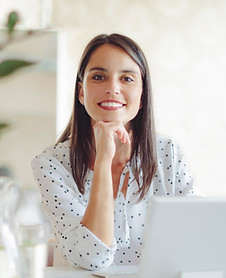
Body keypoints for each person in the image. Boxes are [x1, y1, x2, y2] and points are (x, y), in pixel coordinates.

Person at [31, 33, 194, 270]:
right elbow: (92, 258)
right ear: (82, 92)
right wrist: (104, 160)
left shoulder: (168, 153)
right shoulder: (50, 164)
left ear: (141, 96)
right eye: (98, 77)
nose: (113, 89)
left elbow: (198, 232)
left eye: (127, 79)